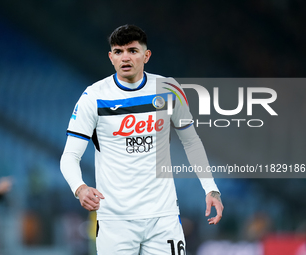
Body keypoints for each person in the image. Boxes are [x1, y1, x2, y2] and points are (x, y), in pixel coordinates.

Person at [60, 24, 224, 254]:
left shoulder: (169, 90)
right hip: (115, 221)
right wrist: (80, 188)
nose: (125, 57)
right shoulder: (94, 97)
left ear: (146, 55)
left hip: (163, 218)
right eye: (118, 51)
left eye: (132, 50)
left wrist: (211, 188)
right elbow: (70, 156)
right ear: (110, 57)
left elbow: (191, 141)